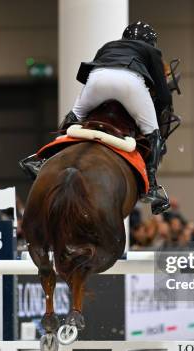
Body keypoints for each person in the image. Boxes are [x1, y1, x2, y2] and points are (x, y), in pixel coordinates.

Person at [19, 21, 173, 214]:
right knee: (154, 133)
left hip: (98, 79)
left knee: (74, 117)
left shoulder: (108, 46)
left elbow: (89, 73)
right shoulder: (151, 52)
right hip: (130, 85)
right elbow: (164, 96)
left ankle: (43, 159)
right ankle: (151, 185)